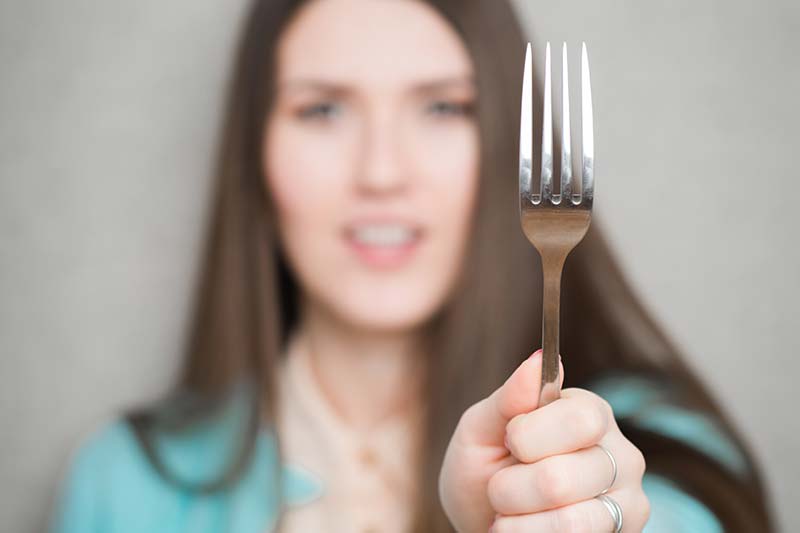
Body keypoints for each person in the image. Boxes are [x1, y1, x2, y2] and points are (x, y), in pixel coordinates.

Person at [48, 0, 775, 532]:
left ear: (502, 152)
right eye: (323, 110)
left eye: (443, 109)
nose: (382, 172)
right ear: (256, 159)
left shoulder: (653, 471)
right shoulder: (121, 485)